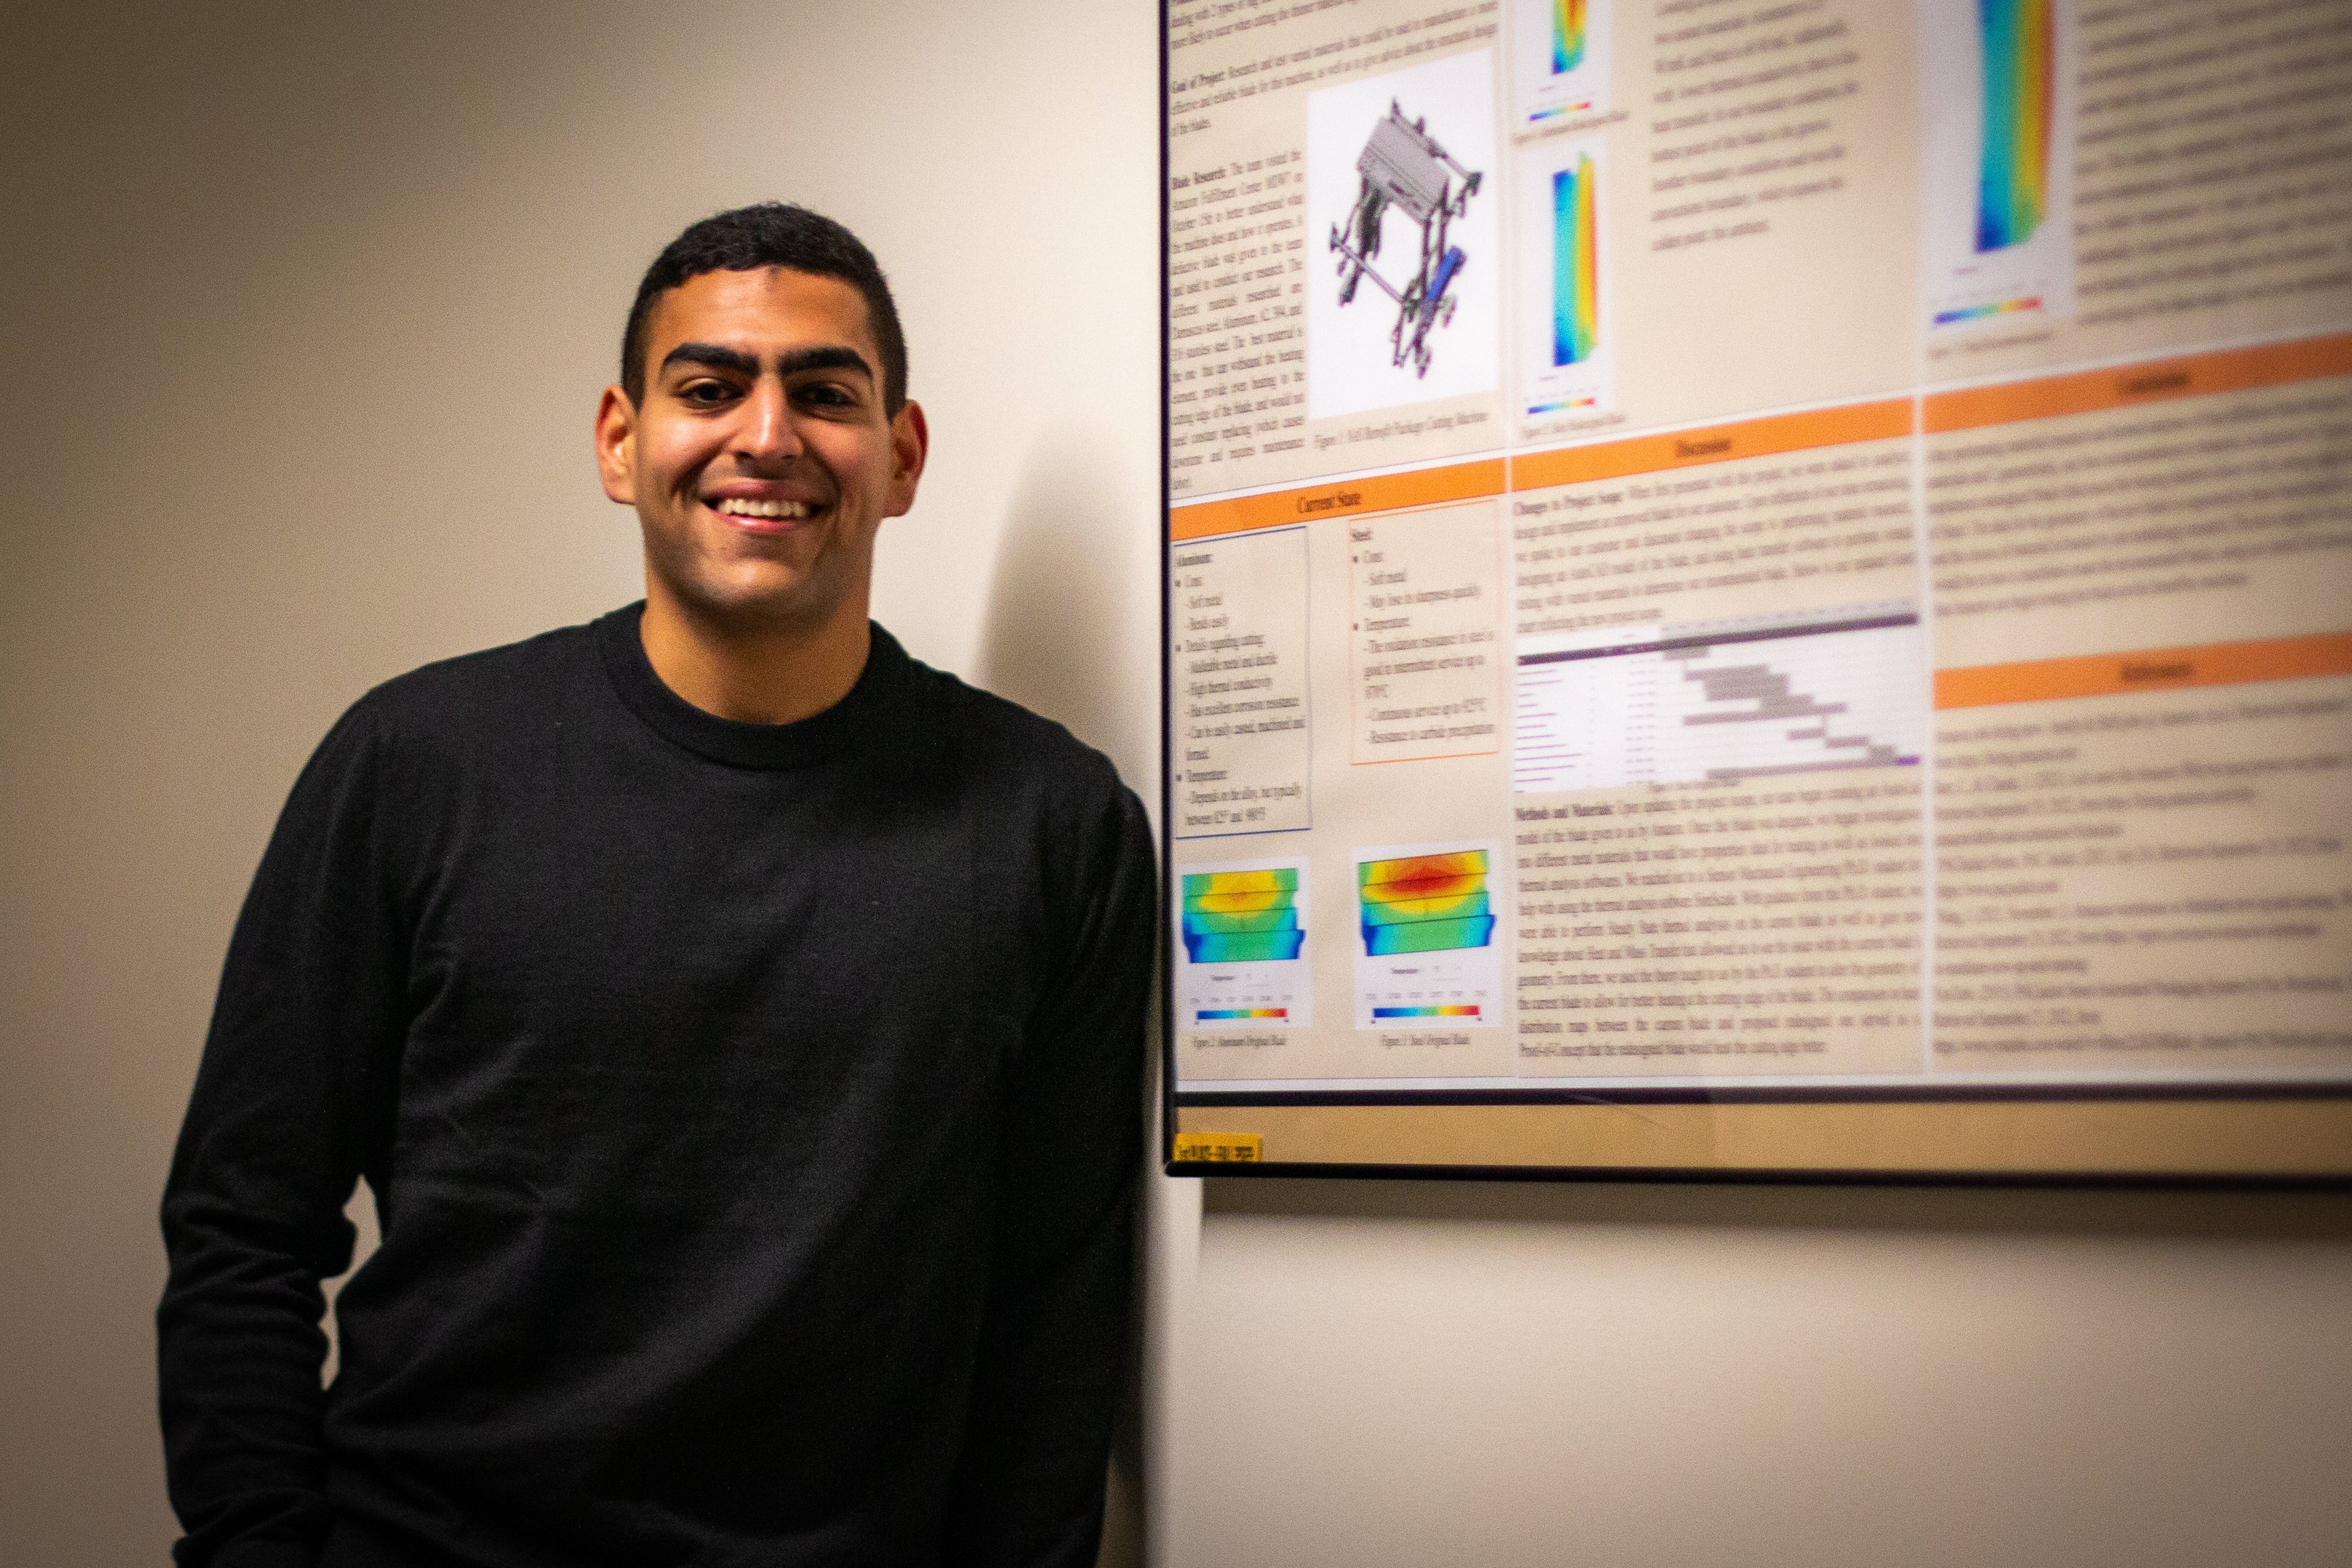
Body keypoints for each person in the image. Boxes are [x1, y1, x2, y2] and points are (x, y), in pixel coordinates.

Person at [158, 202, 1157, 1568]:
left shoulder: (1055, 826)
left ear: (900, 454)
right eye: (708, 386)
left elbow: (1053, 1323)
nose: (765, 434)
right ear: (621, 443)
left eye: (824, 391)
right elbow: (243, 1225)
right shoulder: (415, 765)